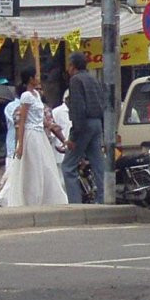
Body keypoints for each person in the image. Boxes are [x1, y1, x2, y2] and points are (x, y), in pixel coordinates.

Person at [0, 64, 68, 208]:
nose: (38, 79)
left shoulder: (36, 95)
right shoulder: (26, 96)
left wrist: (53, 128)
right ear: (30, 78)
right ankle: (31, 199)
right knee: (33, 167)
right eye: (36, 76)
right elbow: (22, 121)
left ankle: (46, 198)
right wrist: (20, 145)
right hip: (31, 135)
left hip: (40, 134)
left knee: (45, 165)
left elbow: (41, 118)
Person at [61, 50, 107, 204]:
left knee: (68, 166)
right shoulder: (93, 79)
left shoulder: (75, 80)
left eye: (69, 65)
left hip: (84, 124)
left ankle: (75, 203)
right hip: (97, 123)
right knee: (97, 163)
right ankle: (103, 199)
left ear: (72, 66)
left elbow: (78, 108)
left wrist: (73, 136)